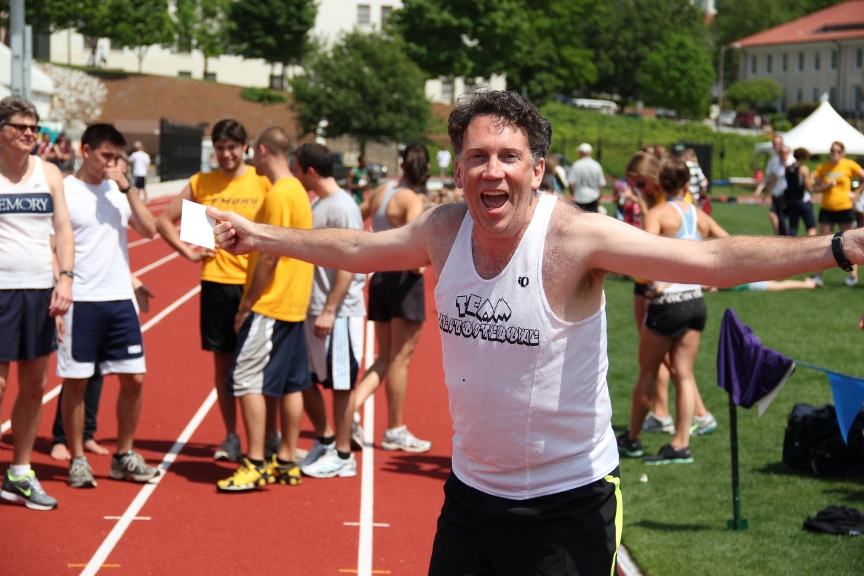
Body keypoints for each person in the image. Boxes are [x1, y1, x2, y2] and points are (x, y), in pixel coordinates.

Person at [208, 90, 864, 575]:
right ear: (458, 171)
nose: (492, 171)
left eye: (509, 157)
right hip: (471, 498)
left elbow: (711, 261)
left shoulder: (575, 238)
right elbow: (356, 248)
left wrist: (837, 246)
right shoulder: (442, 230)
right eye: (477, 157)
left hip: (568, 504)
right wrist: (259, 235)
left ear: (538, 169)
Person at [155, 119, 271, 463]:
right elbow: (164, 221)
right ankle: (232, 435)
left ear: (245, 147)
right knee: (224, 366)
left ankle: (267, 438)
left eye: (232, 147)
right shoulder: (201, 182)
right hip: (218, 283)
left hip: (255, 286)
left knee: (260, 365)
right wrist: (190, 253)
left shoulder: (262, 181)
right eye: (220, 148)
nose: (226, 154)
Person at [57, 123, 159, 489]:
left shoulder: (118, 191)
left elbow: (150, 230)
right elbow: (52, 244)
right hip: (81, 300)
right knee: (77, 382)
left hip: (119, 300)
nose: (111, 164)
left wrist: (127, 187)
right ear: (85, 151)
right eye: (105, 156)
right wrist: (59, 288)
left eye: (117, 157)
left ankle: (124, 455)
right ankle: (77, 458)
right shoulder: (65, 190)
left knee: (135, 378)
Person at [216, 126, 313, 492]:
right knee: (290, 383)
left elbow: (269, 257)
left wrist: (246, 305)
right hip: (293, 301)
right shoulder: (298, 191)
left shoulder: (278, 194)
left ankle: (255, 461)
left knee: (245, 378)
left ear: (260, 151)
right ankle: (285, 460)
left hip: (272, 302)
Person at [619, 158, 729, 465]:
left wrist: (657, 282)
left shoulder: (657, 213)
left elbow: (643, 253)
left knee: (648, 372)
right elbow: (728, 243)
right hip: (695, 302)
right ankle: (680, 444)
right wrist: (709, 277)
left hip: (667, 304)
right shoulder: (700, 215)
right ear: (686, 184)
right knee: (684, 374)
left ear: (660, 182)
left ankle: (633, 439)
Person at [0, 96, 73, 511]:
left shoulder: (49, 173)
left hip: (39, 292)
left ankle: (20, 472)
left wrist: (65, 278)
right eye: (20, 126)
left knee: (36, 386)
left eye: (35, 127)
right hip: (1, 290)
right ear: (2, 130)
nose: (30, 133)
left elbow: (63, 230)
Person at [290, 143, 366, 478]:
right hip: (312, 308)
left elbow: (352, 261)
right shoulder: (317, 203)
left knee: (342, 384)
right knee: (302, 378)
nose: (292, 174)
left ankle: (344, 455)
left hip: (339, 313)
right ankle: (326, 440)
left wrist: (330, 310)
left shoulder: (343, 207)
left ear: (309, 171)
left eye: (295, 168)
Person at [355, 143, 432, 454]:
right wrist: (423, 264)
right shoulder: (412, 200)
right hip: (402, 282)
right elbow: (415, 253)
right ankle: (395, 429)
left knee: (385, 357)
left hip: (379, 278)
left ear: (402, 165)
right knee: (400, 359)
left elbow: (357, 215)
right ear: (426, 169)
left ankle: (350, 411)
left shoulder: (382, 190)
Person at [812, 141, 864, 287]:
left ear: (842, 153)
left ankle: (853, 276)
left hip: (844, 208)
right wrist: (825, 186)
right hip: (827, 208)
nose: (834, 153)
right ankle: (817, 276)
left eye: (837, 151)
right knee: (821, 243)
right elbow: (814, 185)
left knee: (849, 242)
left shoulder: (849, 165)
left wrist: (856, 193)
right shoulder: (823, 167)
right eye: (832, 151)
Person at [754, 135, 792, 236]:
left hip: (786, 193)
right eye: (775, 144)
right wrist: (760, 190)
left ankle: (782, 236)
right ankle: (779, 236)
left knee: (778, 216)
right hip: (777, 193)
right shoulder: (773, 161)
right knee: (776, 216)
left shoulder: (789, 158)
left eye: (779, 143)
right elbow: (769, 178)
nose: (777, 146)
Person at [784, 147, 817, 239]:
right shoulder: (803, 169)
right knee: (811, 227)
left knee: (793, 228)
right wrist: (812, 179)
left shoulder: (787, 168)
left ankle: (790, 246)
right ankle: (811, 245)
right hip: (802, 200)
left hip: (791, 200)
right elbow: (807, 186)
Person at [567, 142, 606, 212]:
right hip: (593, 197)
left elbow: (570, 184)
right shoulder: (596, 165)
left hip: (579, 198)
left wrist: (573, 193)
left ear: (581, 153)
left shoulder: (576, 165)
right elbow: (601, 185)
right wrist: (598, 198)